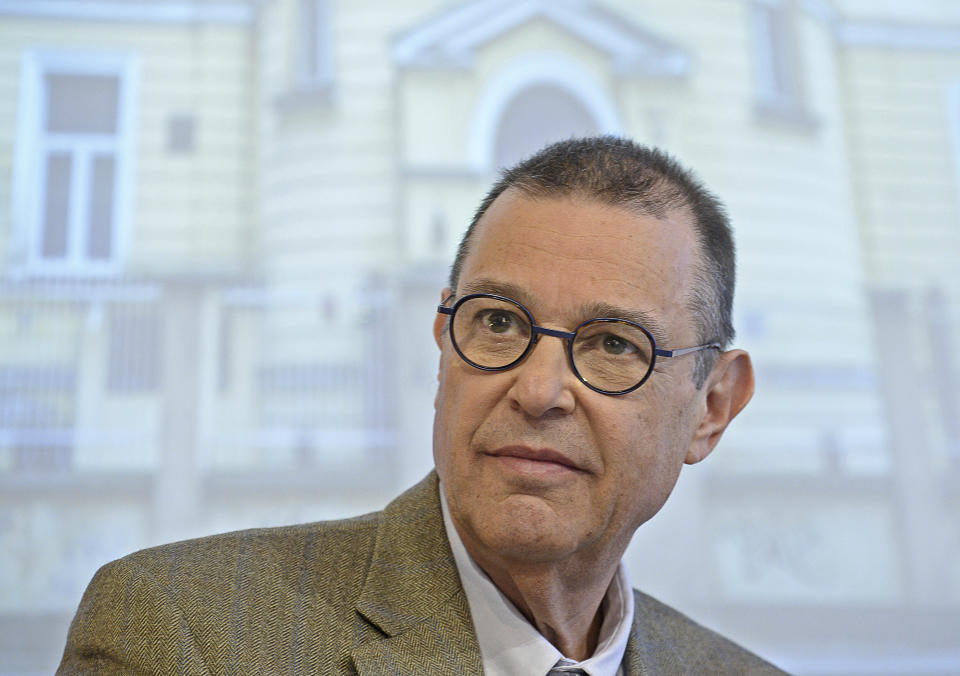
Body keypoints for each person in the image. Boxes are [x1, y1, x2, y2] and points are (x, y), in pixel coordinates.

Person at [58, 137, 788, 675]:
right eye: (499, 322)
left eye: (613, 344)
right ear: (445, 341)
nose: (537, 391)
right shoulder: (183, 634)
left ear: (713, 406)